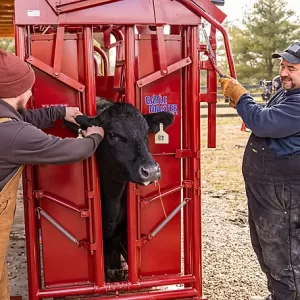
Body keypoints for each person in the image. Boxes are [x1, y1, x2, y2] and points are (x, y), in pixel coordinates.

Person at [0, 48, 104, 299]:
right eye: (28, 87)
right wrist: (94, 138)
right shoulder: (13, 135)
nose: (31, 92)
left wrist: (60, 112)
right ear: (16, 91)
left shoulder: (8, 123)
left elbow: (23, 120)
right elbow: (66, 150)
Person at [220, 41, 300, 300]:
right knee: (268, 248)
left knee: (284, 252)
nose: (284, 73)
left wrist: (242, 98)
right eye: (282, 66)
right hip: (270, 191)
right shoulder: (288, 93)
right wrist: (245, 105)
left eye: (292, 68)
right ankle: (280, 294)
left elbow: (262, 123)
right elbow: (263, 114)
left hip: (284, 193)